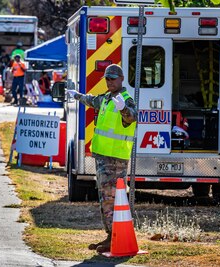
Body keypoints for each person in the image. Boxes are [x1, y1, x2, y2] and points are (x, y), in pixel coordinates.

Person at [67, 64, 138, 253]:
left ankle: (114, 236)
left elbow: (132, 117)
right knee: (105, 198)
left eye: (113, 78)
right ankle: (111, 235)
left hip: (115, 160)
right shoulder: (106, 98)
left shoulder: (126, 100)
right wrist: (77, 95)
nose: (110, 81)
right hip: (104, 159)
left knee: (110, 198)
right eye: (107, 78)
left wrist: (123, 108)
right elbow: (92, 101)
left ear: (122, 79)